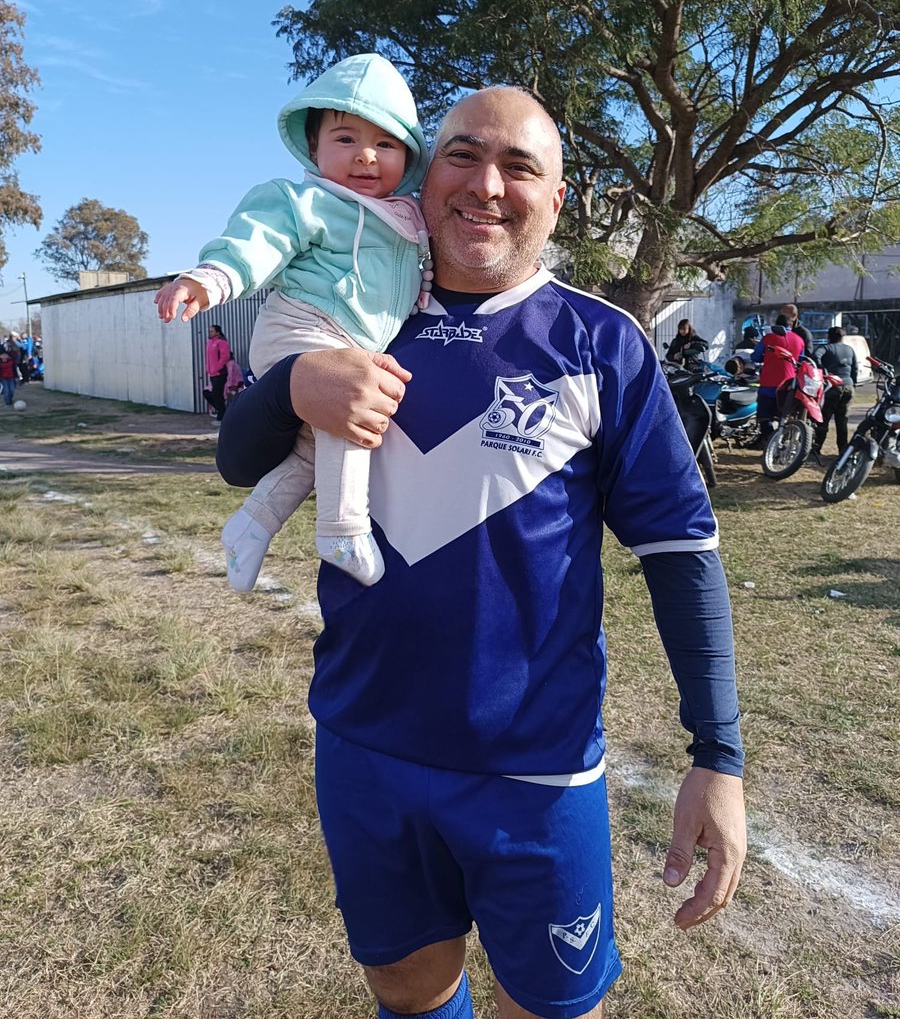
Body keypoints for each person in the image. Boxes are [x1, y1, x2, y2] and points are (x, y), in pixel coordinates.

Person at [216, 87, 746, 1019]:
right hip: (364, 743)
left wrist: (720, 755)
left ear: (560, 196)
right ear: (425, 174)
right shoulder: (356, 315)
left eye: (520, 166)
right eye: (461, 156)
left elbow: (680, 552)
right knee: (408, 988)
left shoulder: (599, 342)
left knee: (547, 1006)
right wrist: (299, 378)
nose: (486, 186)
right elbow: (236, 458)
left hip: (535, 770)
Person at [156, 54, 430, 591]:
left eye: (387, 144)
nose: (366, 157)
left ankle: (250, 526)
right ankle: (341, 528)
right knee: (351, 409)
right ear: (314, 147)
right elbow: (254, 245)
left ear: (410, 155)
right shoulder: (304, 200)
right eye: (346, 139)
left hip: (347, 338)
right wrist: (207, 279)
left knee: (311, 450)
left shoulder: (409, 217)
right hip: (303, 327)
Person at [750, 315, 806, 443]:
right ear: (790, 325)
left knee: (765, 416)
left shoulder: (768, 338)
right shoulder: (799, 340)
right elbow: (801, 361)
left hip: (768, 384)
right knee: (784, 416)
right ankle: (781, 441)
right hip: (789, 384)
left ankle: (769, 441)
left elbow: (755, 357)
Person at [814, 326, 858, 454]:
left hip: (833, 386)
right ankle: (843, 450)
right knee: (842, 420)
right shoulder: (850, 350)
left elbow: (815, 356)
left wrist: (823, 370)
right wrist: (852, 385)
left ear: (829, 337)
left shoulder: (826, 348)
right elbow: (854, 370)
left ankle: (817, 447)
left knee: (824, 419)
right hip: (849, 387)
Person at [202, 324, 231, 424]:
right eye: (209, 331)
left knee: (217, 394)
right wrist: (208, 368)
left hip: (220, 373)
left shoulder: (221, 342)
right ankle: (222, 413)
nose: (210, 333)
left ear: (217, 332)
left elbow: (225, 357)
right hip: (212, 373)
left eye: (212, 331)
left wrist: (216, 368)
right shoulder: (210, 342)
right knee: (214, 395)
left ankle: (221, 416)